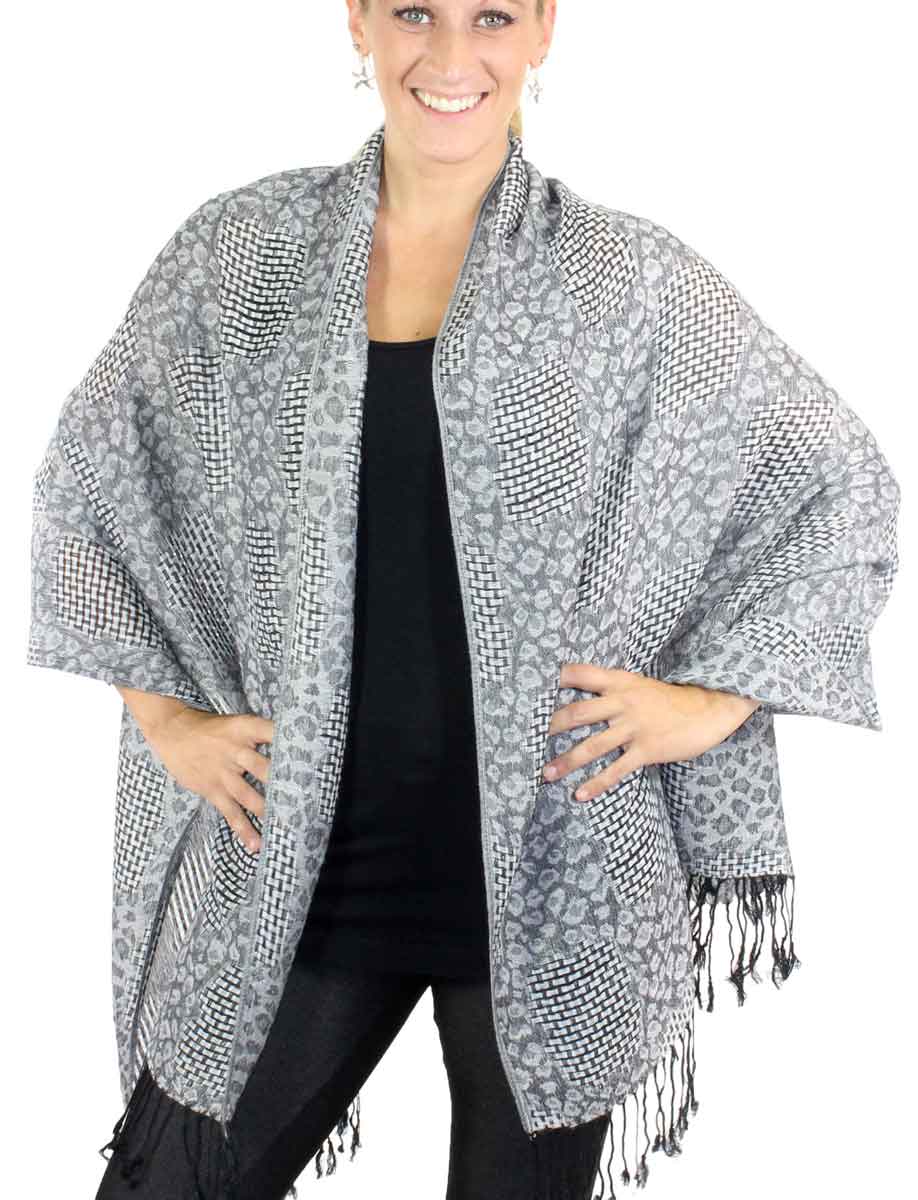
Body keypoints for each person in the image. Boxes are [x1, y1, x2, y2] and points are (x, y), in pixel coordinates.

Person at [26, 2, 899, 1198]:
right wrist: (168, 720)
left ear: (543, 29)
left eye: (490, 15)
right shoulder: (244, 257)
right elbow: (96, 484)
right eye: (413, 12)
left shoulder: (627, 281)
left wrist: (707, 704)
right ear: (357, 20)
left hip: (558, 881)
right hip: (295, 864)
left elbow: (837, 485)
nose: (449, 57)